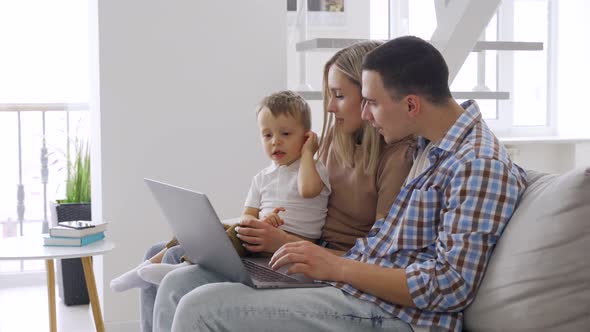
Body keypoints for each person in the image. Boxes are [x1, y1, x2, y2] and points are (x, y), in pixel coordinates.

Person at [152, 36, 528, 332]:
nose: (364, 114)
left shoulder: (478, 165)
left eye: (373, 104)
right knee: (180, 285)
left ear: (412, 105)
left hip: (398, 316)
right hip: (354, 288)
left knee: (200, 308)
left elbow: (449, 286)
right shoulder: (430, 146)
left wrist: (335, 267)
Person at [144, 40, 414, 332]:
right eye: (328, 95)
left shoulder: (397, 157)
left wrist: (280, 241)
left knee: (180, 281)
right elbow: (296, 192)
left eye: (338, 95)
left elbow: (380, 260)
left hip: (328, 267)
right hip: (300, 252)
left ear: (368, 94)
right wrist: (260, 226)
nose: (329, 107)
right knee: (168, 270)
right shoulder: (338, 138)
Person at [110, 91, 331, 292]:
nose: (276, 142)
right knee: (197, 232)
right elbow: (248, 214)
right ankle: (145, 267)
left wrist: (308, 153)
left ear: (306, 136)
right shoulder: (263, 177)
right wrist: (257, 224)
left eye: (285, 133)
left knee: (228, 236)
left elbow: (308, 190)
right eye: (267, 135)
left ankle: (181, 270)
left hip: (289, 246)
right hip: (259, 239)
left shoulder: (313, 168)